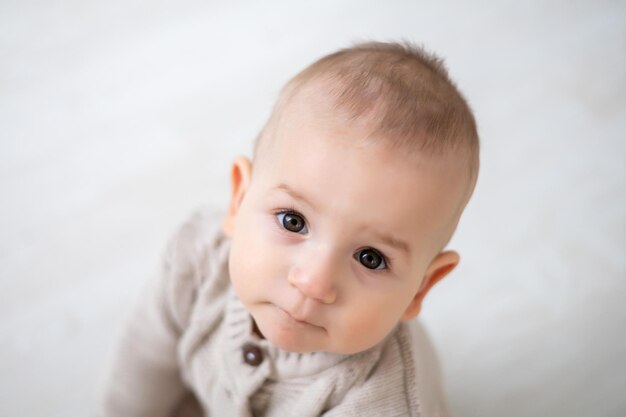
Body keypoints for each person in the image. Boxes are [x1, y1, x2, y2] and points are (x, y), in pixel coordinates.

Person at [102, 41, 479, 417]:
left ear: (422, 286)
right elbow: (143, 367)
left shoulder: (384, 402)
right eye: (293, 221)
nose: (314, 283)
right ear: (240, 199)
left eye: (371, 258)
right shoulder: (195, 257)